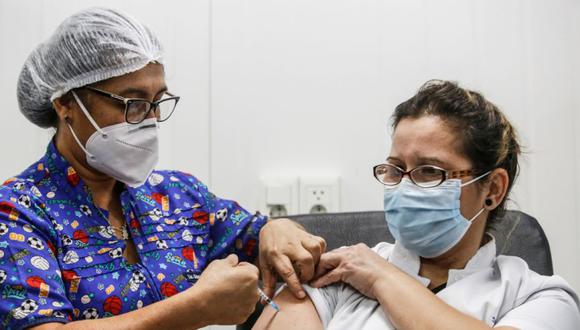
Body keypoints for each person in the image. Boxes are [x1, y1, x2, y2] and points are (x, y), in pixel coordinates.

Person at [0, 7, 326, 330]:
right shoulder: (18, 211)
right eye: (133, 103)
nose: (151, 120)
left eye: (158, 101)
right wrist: (196, 308)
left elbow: (256, 236)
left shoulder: (178, 196)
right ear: (66, 104)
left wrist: (277, 228)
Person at [253, 80, 580, 329]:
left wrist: (381, 278)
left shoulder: (541, 297)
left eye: (429, 172)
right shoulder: (339, 274)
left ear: (492, 188)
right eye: (395, 170)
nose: (405, 185)